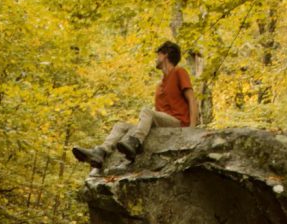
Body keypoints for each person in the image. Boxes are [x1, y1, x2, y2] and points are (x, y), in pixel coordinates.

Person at [72, 41, 199, 170]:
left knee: (146, 111)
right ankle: (100, 153)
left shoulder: (179, 72)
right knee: (120, 126)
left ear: (165, 55)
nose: (156, 59)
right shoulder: (159, 85)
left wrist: (192, 129)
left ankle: (135, 143)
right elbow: (157, 116)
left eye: (158, 55)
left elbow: (192, 99)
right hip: (163, 125)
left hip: (179, 123)